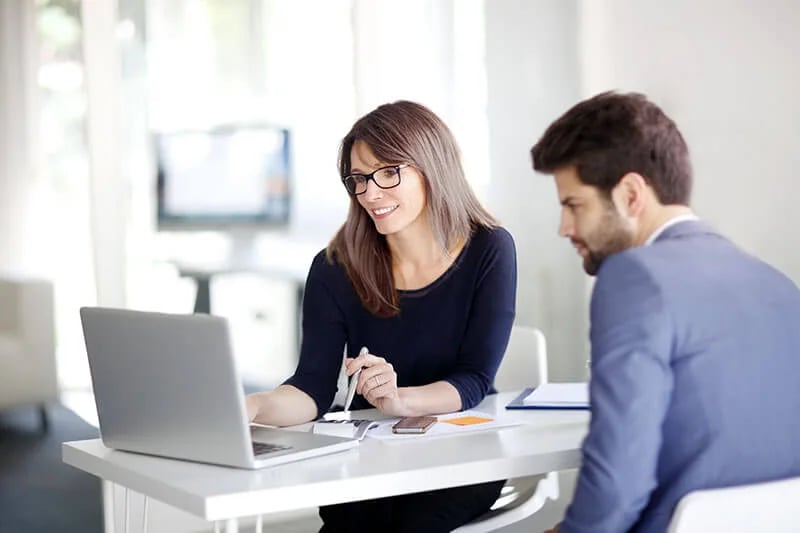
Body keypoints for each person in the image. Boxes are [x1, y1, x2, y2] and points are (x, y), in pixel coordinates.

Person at [530, 91, 800, 533]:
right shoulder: (777, 283)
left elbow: (619, 482)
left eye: (573, 205)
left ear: (631, 194)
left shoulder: (632, 276)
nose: (565, 228)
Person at [246, 100, 517, 532]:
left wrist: (398, 400)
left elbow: (474, 379)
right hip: (367, 460)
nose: (370, 193)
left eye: (388, 172)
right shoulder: (335, 267)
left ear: (432, 166)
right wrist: (251, 405)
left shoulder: (489, 249)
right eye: (359, 179)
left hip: (459, 456)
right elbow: (312, 389)